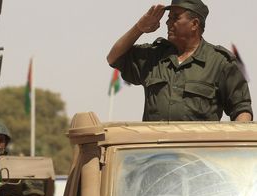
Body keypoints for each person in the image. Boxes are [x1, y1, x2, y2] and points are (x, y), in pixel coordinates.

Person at [107, 0, 252, 122]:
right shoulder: (155, 56)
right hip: (155, 153)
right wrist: (139, 28)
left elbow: (241, 110)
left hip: (199, 154)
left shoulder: (220, 62)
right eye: (168, 17)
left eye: (175, 17)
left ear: (194, 24)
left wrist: (234, 147)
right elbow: (114, 57)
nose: (167, 22)